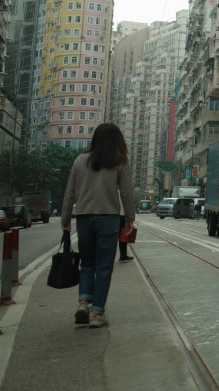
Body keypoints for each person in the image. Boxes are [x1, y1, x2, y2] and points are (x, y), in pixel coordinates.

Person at [60, 122, 135, 328]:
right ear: (117, 141)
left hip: (83, 218)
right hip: (108, 219)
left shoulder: (80, 160)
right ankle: (96, 314)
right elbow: (126, 192)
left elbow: (70, 192)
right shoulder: (120, 162)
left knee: (87, 263)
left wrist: (65, 219)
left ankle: (83, 303)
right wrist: (130, 218)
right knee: (103, 267)